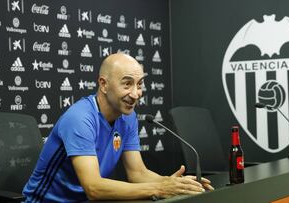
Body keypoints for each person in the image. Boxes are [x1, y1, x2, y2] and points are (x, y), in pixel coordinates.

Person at [23, 53, 213, 202]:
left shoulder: (127, 116)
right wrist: (161, 188)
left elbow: (137, 173)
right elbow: (94, 188)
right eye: (127, 84)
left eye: (139, 84)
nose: (136, 94)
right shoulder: (79, 118)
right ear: (104, 84)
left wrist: (177, 184)